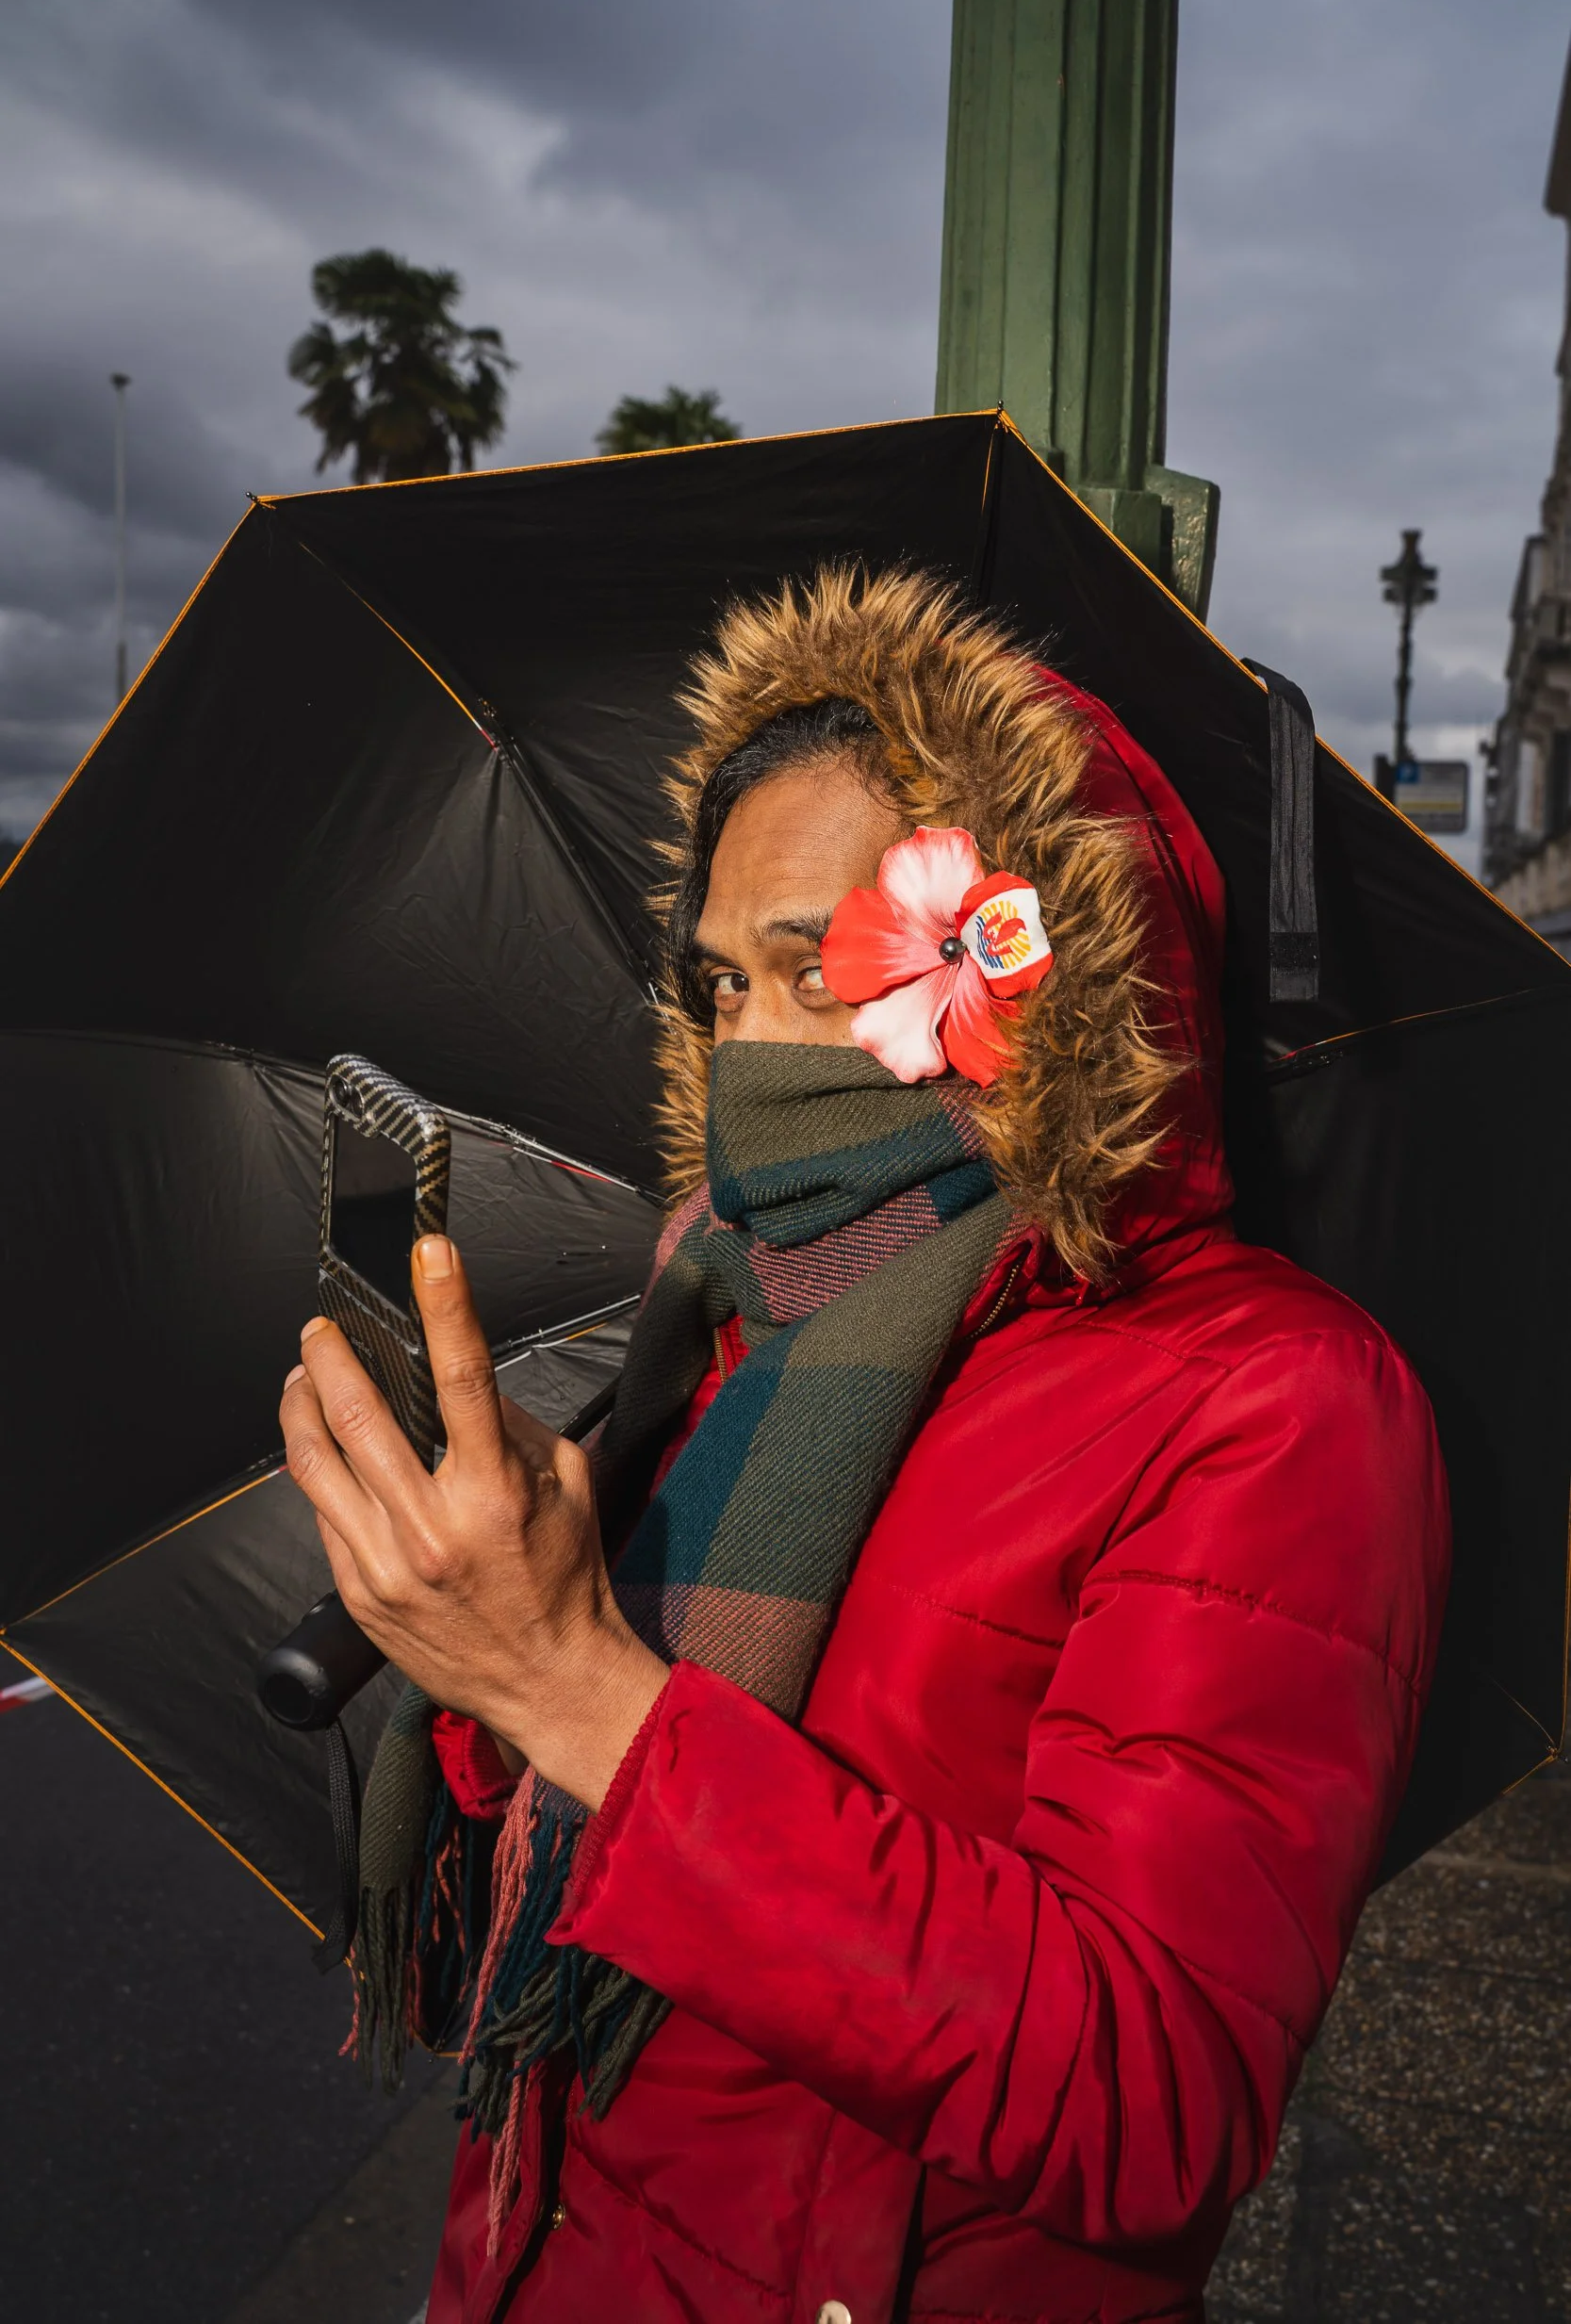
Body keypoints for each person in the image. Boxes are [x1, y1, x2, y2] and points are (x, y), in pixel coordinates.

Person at [280, 565, 1450, 2324]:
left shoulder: (1264, 1397)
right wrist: (483, 1651)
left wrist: (579, 1688)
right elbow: (525, 1929)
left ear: (1024, 970)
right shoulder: (725, 1305)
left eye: (817, 971)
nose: (747, 1042)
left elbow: (1149, 2095)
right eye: (713, 984)